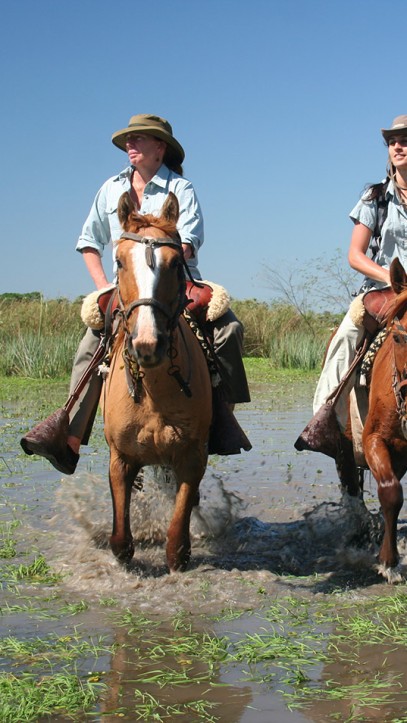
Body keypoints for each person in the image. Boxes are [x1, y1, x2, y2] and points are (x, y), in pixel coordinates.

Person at [21, 114, 250, 474]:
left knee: (228, 330)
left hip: (174, 280)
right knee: (89, 344)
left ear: (159, 147)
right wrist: (104, 288)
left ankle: (220, 421)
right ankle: (71, 437)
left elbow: (187, 243)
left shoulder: (181, 189)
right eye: (128, 140)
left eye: (138, 139)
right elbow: (88, 243)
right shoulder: (110, 188)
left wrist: (160, 267)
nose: (130, 145)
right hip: (125, 287)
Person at [297, 114, 407, 452]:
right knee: (346, 335)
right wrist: (390, 277)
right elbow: (355, 255)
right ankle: (325, 421)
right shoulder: (375, 197)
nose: (398, 146)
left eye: (404, 140)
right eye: (392, 141)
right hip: (385, 289)